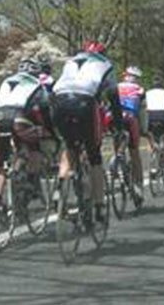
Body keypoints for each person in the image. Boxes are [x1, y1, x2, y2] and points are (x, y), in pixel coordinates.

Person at [52, 39, 123, 222]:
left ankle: (60, 188)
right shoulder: (106, 65)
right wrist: (119, 128)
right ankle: (99, 206)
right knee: (94, 157)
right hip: (85, 103)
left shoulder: (71, 61)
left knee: (69, 147)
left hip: (59, 102)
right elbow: (115, 101)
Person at [0, 57, 57, 211]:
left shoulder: (6, 81)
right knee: (34, 148)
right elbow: (45, 111)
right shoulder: (36, 85)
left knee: (1, 163)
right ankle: (31, 181)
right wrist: (50, 132)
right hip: (19, 120)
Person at [116, 66, 145, 199]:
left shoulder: (116, 87)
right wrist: (144, 130)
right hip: (131, 119)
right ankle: (138, 186)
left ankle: (118, 165)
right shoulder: (139, 89)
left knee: (118, 147)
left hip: (115, 119)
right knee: (134, 153)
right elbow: (142, 112)